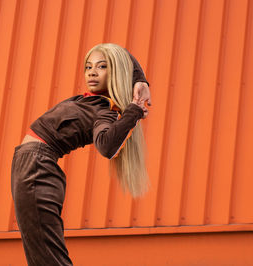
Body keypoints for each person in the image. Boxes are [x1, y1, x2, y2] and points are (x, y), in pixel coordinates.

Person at [11, 43, 151, 265]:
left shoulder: (105, 110)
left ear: (116, 73)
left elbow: (106, 146)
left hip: (37, 167)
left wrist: (133, 109)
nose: (92, 72)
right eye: (88, 67)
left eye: (102, 66)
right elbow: (122, 54)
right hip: (31, 165)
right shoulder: (88, 100)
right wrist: (141, 80)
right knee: (40, 252)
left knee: (46, 254)